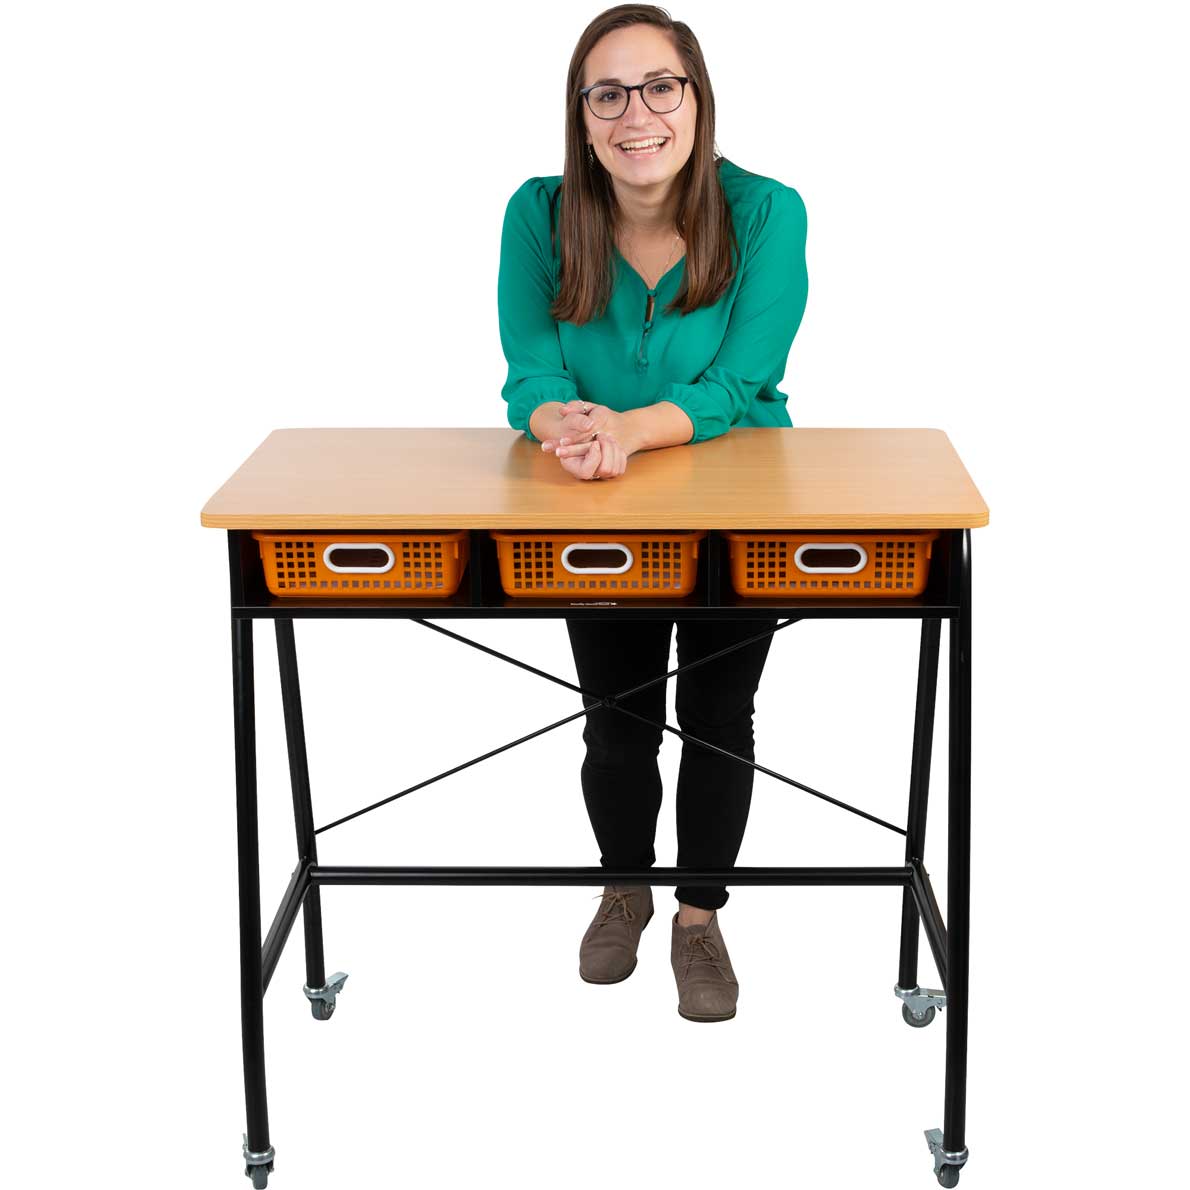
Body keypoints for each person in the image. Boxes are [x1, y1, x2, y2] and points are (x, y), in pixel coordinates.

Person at [496, 3, 808, 1022]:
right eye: (607, 93)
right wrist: (562, 423)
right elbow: (527, 371)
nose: (636, 113)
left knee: (717, 721)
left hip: (736, 504)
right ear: (581, 117)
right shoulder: (536, 214)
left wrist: (628, 429)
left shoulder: (765, 212)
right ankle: (622, 884)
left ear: (695, 98)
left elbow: (738, 382)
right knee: (617, 721)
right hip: (594, 498)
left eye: (659, 86)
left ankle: (699, 916)